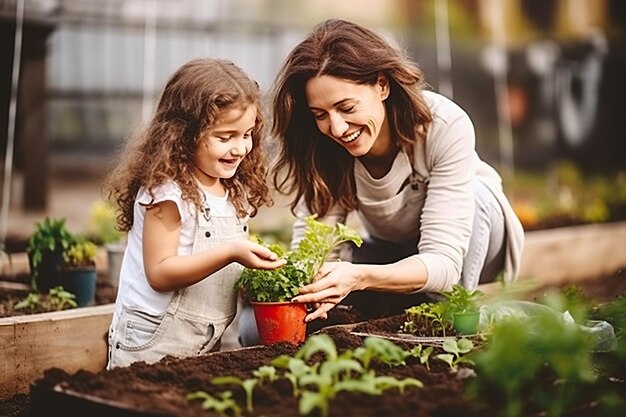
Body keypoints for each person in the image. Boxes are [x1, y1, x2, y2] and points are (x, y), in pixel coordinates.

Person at [271, 19, 524, 324]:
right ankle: (401, 309)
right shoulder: (321, 147)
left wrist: (360, 276)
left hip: (475, 242)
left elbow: (443, 262)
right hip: (394, 250)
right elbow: (314, 243)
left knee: (477, 194)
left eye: (347, 108)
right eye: (320, 114)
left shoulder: (442, 125)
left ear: (382, 84)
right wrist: (307, 291)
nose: (336, 128)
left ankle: (453, 317)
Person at [104, 58, 286, 368]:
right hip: (153, 338)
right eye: (225, 137)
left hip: (207, 337)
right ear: (184, 134)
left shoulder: (232, 190)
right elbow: (160, 273)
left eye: (246, 135)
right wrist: (231, 252)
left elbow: (223, 265)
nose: (240, 148)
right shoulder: (167, 193)